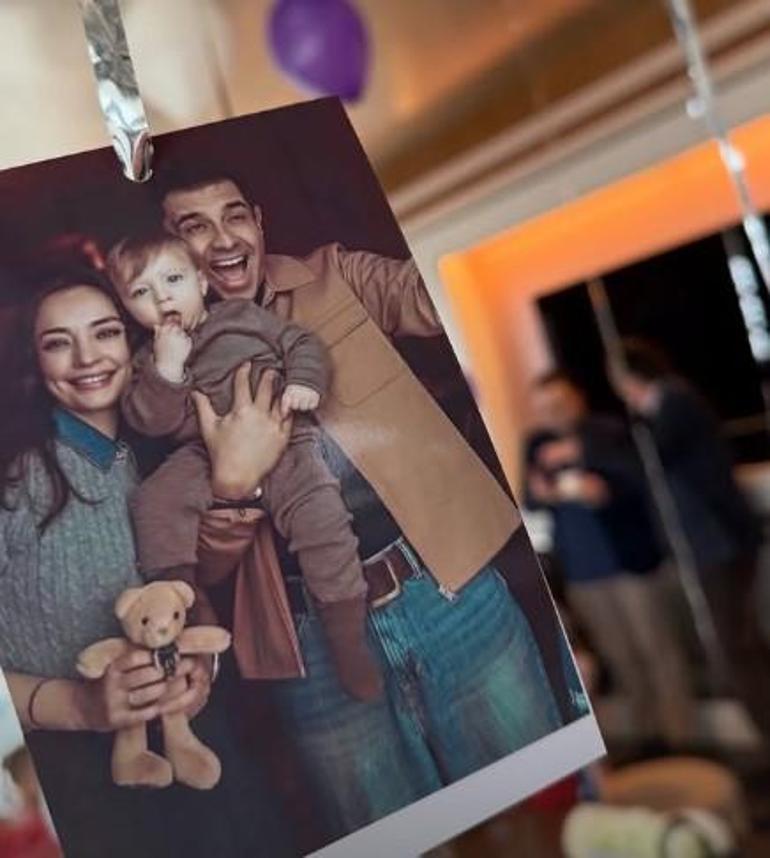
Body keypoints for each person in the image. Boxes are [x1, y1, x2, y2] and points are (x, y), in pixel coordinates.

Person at [158, 170, 579, 843]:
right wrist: (233, 483)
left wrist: (464, 218)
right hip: (310, 650)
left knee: (540, 820)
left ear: (259, 222)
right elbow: (196, 567)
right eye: (194, 226)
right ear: (171, 248)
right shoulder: (169, 371)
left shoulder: (336, 276)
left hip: (450, 596)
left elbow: (432, 291)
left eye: (234, 216)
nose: (223, 238)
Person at [0, 271, 296, 857]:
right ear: (33, 361)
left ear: (138, 338)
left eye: (105, 332)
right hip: (75, 781)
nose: (87, 358)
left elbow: (191, 591)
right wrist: (78, 706)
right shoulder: (15, 476)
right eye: (59, 342)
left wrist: (202, 669)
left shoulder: (170, 446)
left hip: (200, 745)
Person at [108, 230, 382, 702]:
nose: (162, 298)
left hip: (286, 434)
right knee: (154, 500)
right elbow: (151, 421)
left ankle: (346, 636)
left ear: (202, 281)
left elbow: (300, 342)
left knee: (322, 519)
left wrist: (304, 382)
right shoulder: (145, 363)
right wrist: (167, 369)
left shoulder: (240, 316)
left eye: (173, 279)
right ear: (127, 308)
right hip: (202, 453)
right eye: (141, 292)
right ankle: (181, 601)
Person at [524, 371, 694, 747]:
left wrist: (590, 470)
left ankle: (682, 740)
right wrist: (544, 492)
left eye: (559, 403)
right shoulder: (537, 443)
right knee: (620, 659)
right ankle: (648, 740)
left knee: (659, 651)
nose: (552, 413)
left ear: (577, 398)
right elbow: (530, 498)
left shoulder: (608, 431)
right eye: (544, 407)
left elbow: (637, 476)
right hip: (583, 572)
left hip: (628, 562)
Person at [611, 338, 770, 739]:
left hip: (717, 543)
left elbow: (648, 458)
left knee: (734, 647)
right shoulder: (671, 404)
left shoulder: (674, 403)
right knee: (741, 642)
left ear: (632, 376)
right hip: (715, 542)